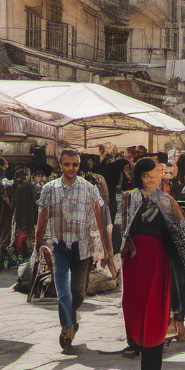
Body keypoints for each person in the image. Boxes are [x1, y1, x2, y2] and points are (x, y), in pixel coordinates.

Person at [121, 156, 185, 370]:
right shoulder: (129, 198)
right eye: (157, 170)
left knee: (153, 329)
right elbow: (125, 231)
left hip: (157, 268)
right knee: (136, 325)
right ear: (144, 175)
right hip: (134, 268)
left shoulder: (165, 201)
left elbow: (183, 238)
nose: (161, 173)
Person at [35, 147, 110, 354]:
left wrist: (104, 248)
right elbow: (42, 215)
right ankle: (67, 327)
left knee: (78, 293)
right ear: (60, 165)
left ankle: (71, 319)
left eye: (74, 164)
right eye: (67, 164)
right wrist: (37, 239)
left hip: (82, 247)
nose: (71, 168)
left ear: (79, 165)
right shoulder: (49, 188)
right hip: (58, 246)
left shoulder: (89, 188)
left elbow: (98, 217)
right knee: (63, 292)